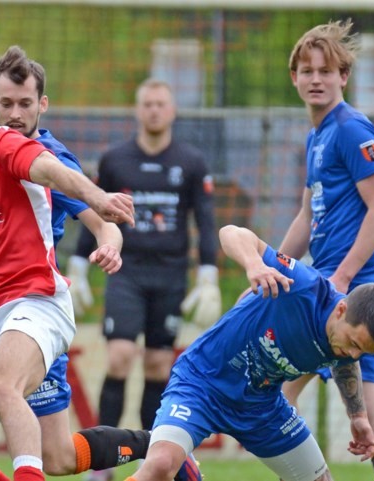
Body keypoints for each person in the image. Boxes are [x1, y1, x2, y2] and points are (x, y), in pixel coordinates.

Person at [0, 49, 199, 481]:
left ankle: (161, 446)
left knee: (1, 387)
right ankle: (161, 448)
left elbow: (56, 175)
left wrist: (102, 207)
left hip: (36, 303)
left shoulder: (12, 146)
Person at [123, 224, 374, 481]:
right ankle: (185, 467)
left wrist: (357, 415)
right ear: (341, 309)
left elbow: (344, 362)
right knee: (160, 465)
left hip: (262, 406)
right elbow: (231, 232)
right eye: (354, 344)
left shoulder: (346, 339)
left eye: (362, 352)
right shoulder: (303, 286)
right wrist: (254, 264)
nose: (354, 354)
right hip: (202, 384)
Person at [67, 78, 219, 481]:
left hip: (170, 276)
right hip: (125, 272)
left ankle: (155, 460)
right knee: (118, 357)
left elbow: (204, 221)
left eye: (160, 104)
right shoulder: (116, 160)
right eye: (147, 103)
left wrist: (209, 276)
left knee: (156, 366)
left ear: (171, 111)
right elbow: (94, 213)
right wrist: (78, 267)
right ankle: (100, 467)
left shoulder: (191, 162)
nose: (154, 110)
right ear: (138, 110)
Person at [279, 20, 374, 481]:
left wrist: (344, 277)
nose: (316, 78)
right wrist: (270, 269)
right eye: (307, 70)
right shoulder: (316, 136)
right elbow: (305, 218)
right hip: (327, 286)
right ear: (293, 76)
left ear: (343, 77)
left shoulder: (352, 129)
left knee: (365, 407)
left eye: (326, 71)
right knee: (278, 392)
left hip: (355, 289)